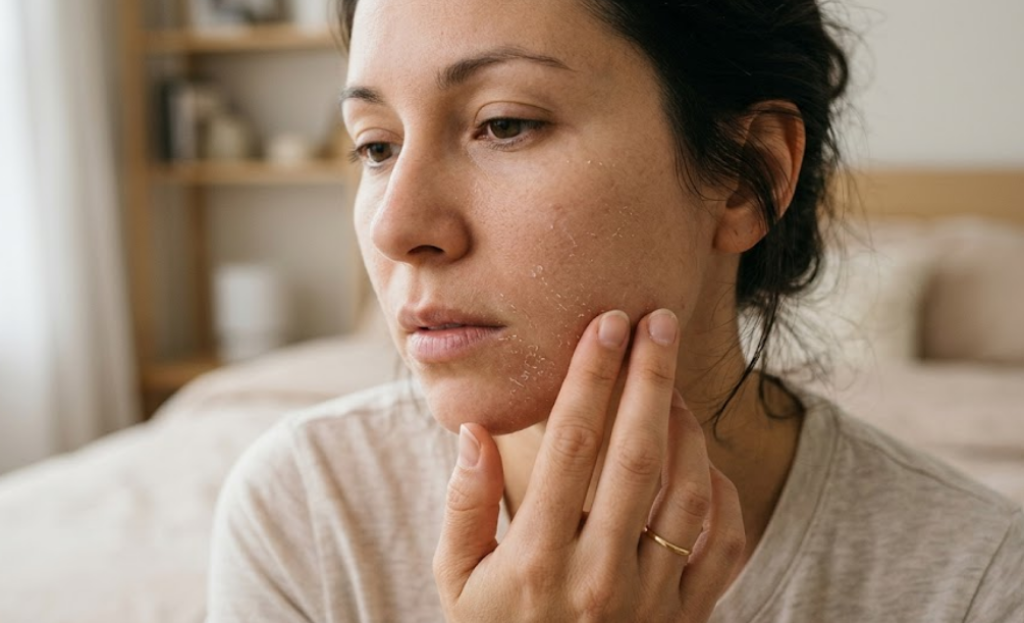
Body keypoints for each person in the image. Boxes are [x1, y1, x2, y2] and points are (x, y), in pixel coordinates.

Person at [206, 0, 1024, 621]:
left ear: (746, 177)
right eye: (376, 145)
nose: (396, 227)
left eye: (504, 124)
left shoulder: (977, 579)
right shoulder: (306, 511)